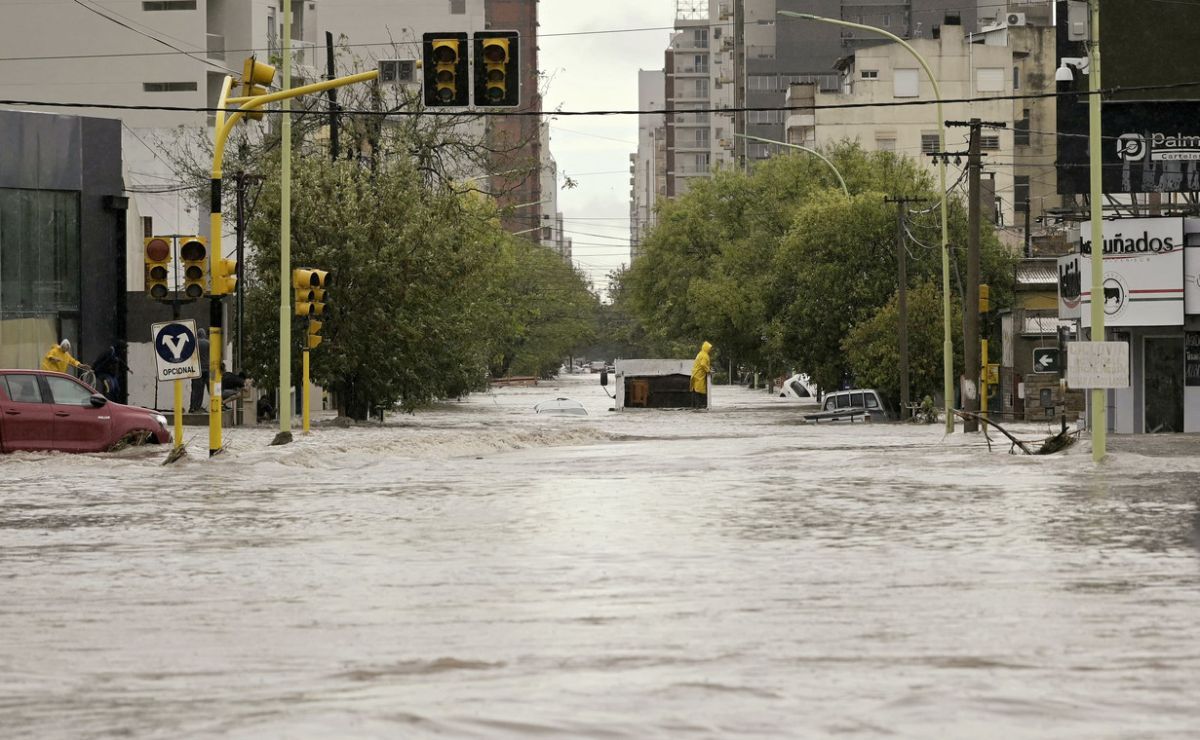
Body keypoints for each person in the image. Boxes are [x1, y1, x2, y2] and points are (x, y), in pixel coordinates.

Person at [189, 328, 210, 413]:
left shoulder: (194, 343)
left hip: (196, 369)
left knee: (195, 389)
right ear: (204, 334)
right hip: (207, 369)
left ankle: (192, 407)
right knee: (202, 389)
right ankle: (198, 407)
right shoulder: (208, 343)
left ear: (197, 335)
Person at [690, 340, 713, 408]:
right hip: (699, 376)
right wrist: (708, 370)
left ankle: (694, 406)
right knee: (699, 391)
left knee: (695, 390)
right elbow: (703, 364)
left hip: (695, 374)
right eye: (710, 348)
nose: (710, 350)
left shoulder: (700, 353)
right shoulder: (705, 355)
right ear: (707, 348)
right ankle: (698, 406)